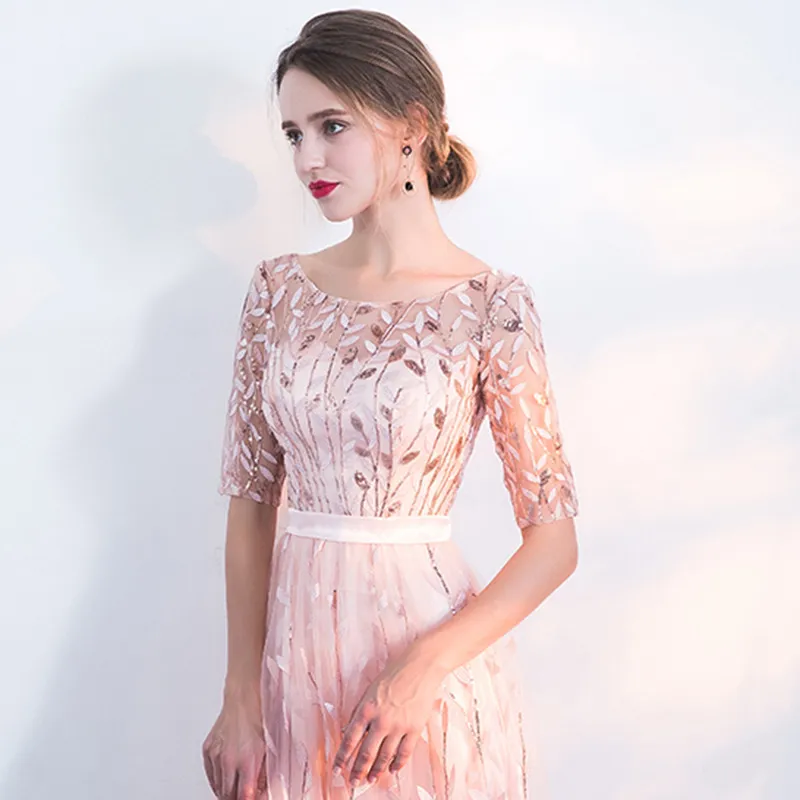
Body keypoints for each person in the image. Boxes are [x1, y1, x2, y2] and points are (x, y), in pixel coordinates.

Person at [202, 9, 580, 799]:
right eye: (294, 134)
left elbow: (553, 543)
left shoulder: (492, 305)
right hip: (295, 661)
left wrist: (423, 670)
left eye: (331, 126)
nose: (307, 158)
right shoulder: (276, 292)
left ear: (410, 125)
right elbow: (250, 503)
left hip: (428, 666)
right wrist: (240, 693)